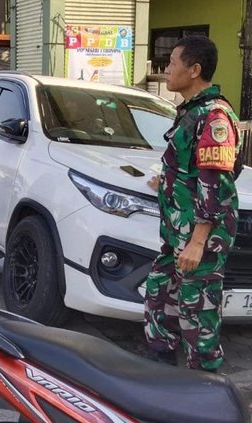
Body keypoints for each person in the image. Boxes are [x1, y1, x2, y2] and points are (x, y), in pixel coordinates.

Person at [144, 36, 243, 372]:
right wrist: (168, 182)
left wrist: (198, 242)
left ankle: (205, 389)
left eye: (172, 62)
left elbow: (218, 183)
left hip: (198, 240)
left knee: (197, 316)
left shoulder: (214, 117)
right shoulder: (191, 112)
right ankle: (162, 371)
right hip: (178, 234)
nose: (166, 69)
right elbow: (194, 170)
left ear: (194, 69)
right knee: (160, 293)